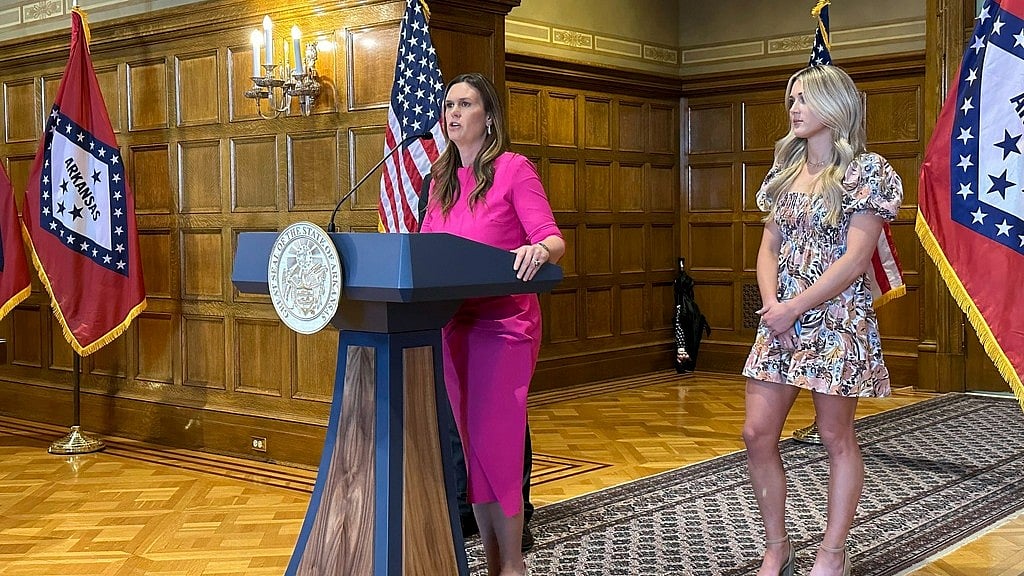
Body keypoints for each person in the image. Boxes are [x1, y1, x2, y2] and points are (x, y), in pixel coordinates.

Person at [741, 64, 902, 576]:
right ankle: (777, 546)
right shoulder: (784, 172)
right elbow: (769, 247)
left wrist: (796, 306)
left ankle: (832, 553)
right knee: (756, 433)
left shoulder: (869, 171)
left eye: (805, 98)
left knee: (836, 436)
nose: (793, 107)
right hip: (780, 319)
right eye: (791, 98)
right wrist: (773, 304)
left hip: (836, 319)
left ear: (836, 105)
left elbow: (856, 260)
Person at [419, 72, 564, 576]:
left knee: (498, 448)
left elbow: (552, 239)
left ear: (488, 116)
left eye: (465, 104)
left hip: (504, 324)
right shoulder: (437, 182)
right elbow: (426, 252)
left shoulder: (513, 169)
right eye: (448, 105)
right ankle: (492, 557)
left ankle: (514, 564)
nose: (452, 113)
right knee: (473, 452)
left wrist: (536, 249)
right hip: (453, 324)